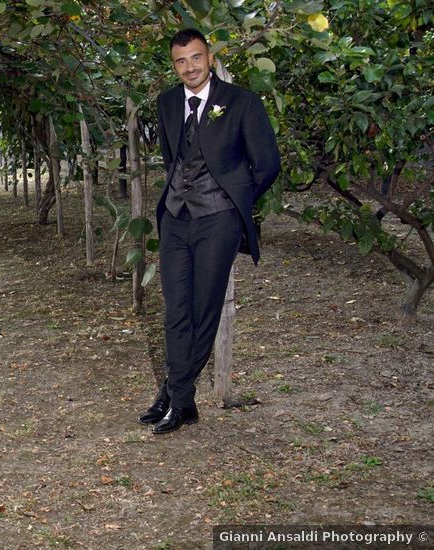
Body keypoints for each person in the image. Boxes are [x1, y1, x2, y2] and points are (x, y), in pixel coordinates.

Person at [137, 29, 280, 435]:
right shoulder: (166, 102)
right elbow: (172, 157)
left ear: (210, 57)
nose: (190, 67)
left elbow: (267, 164)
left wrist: (235, 199)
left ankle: (176, 397)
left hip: (218, 219)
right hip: (176, 218)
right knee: (176, 310)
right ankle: (179, 396)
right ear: (173, 64)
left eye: (196, 58)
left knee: (204, 309)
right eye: (181, 61)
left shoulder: (241, 102)